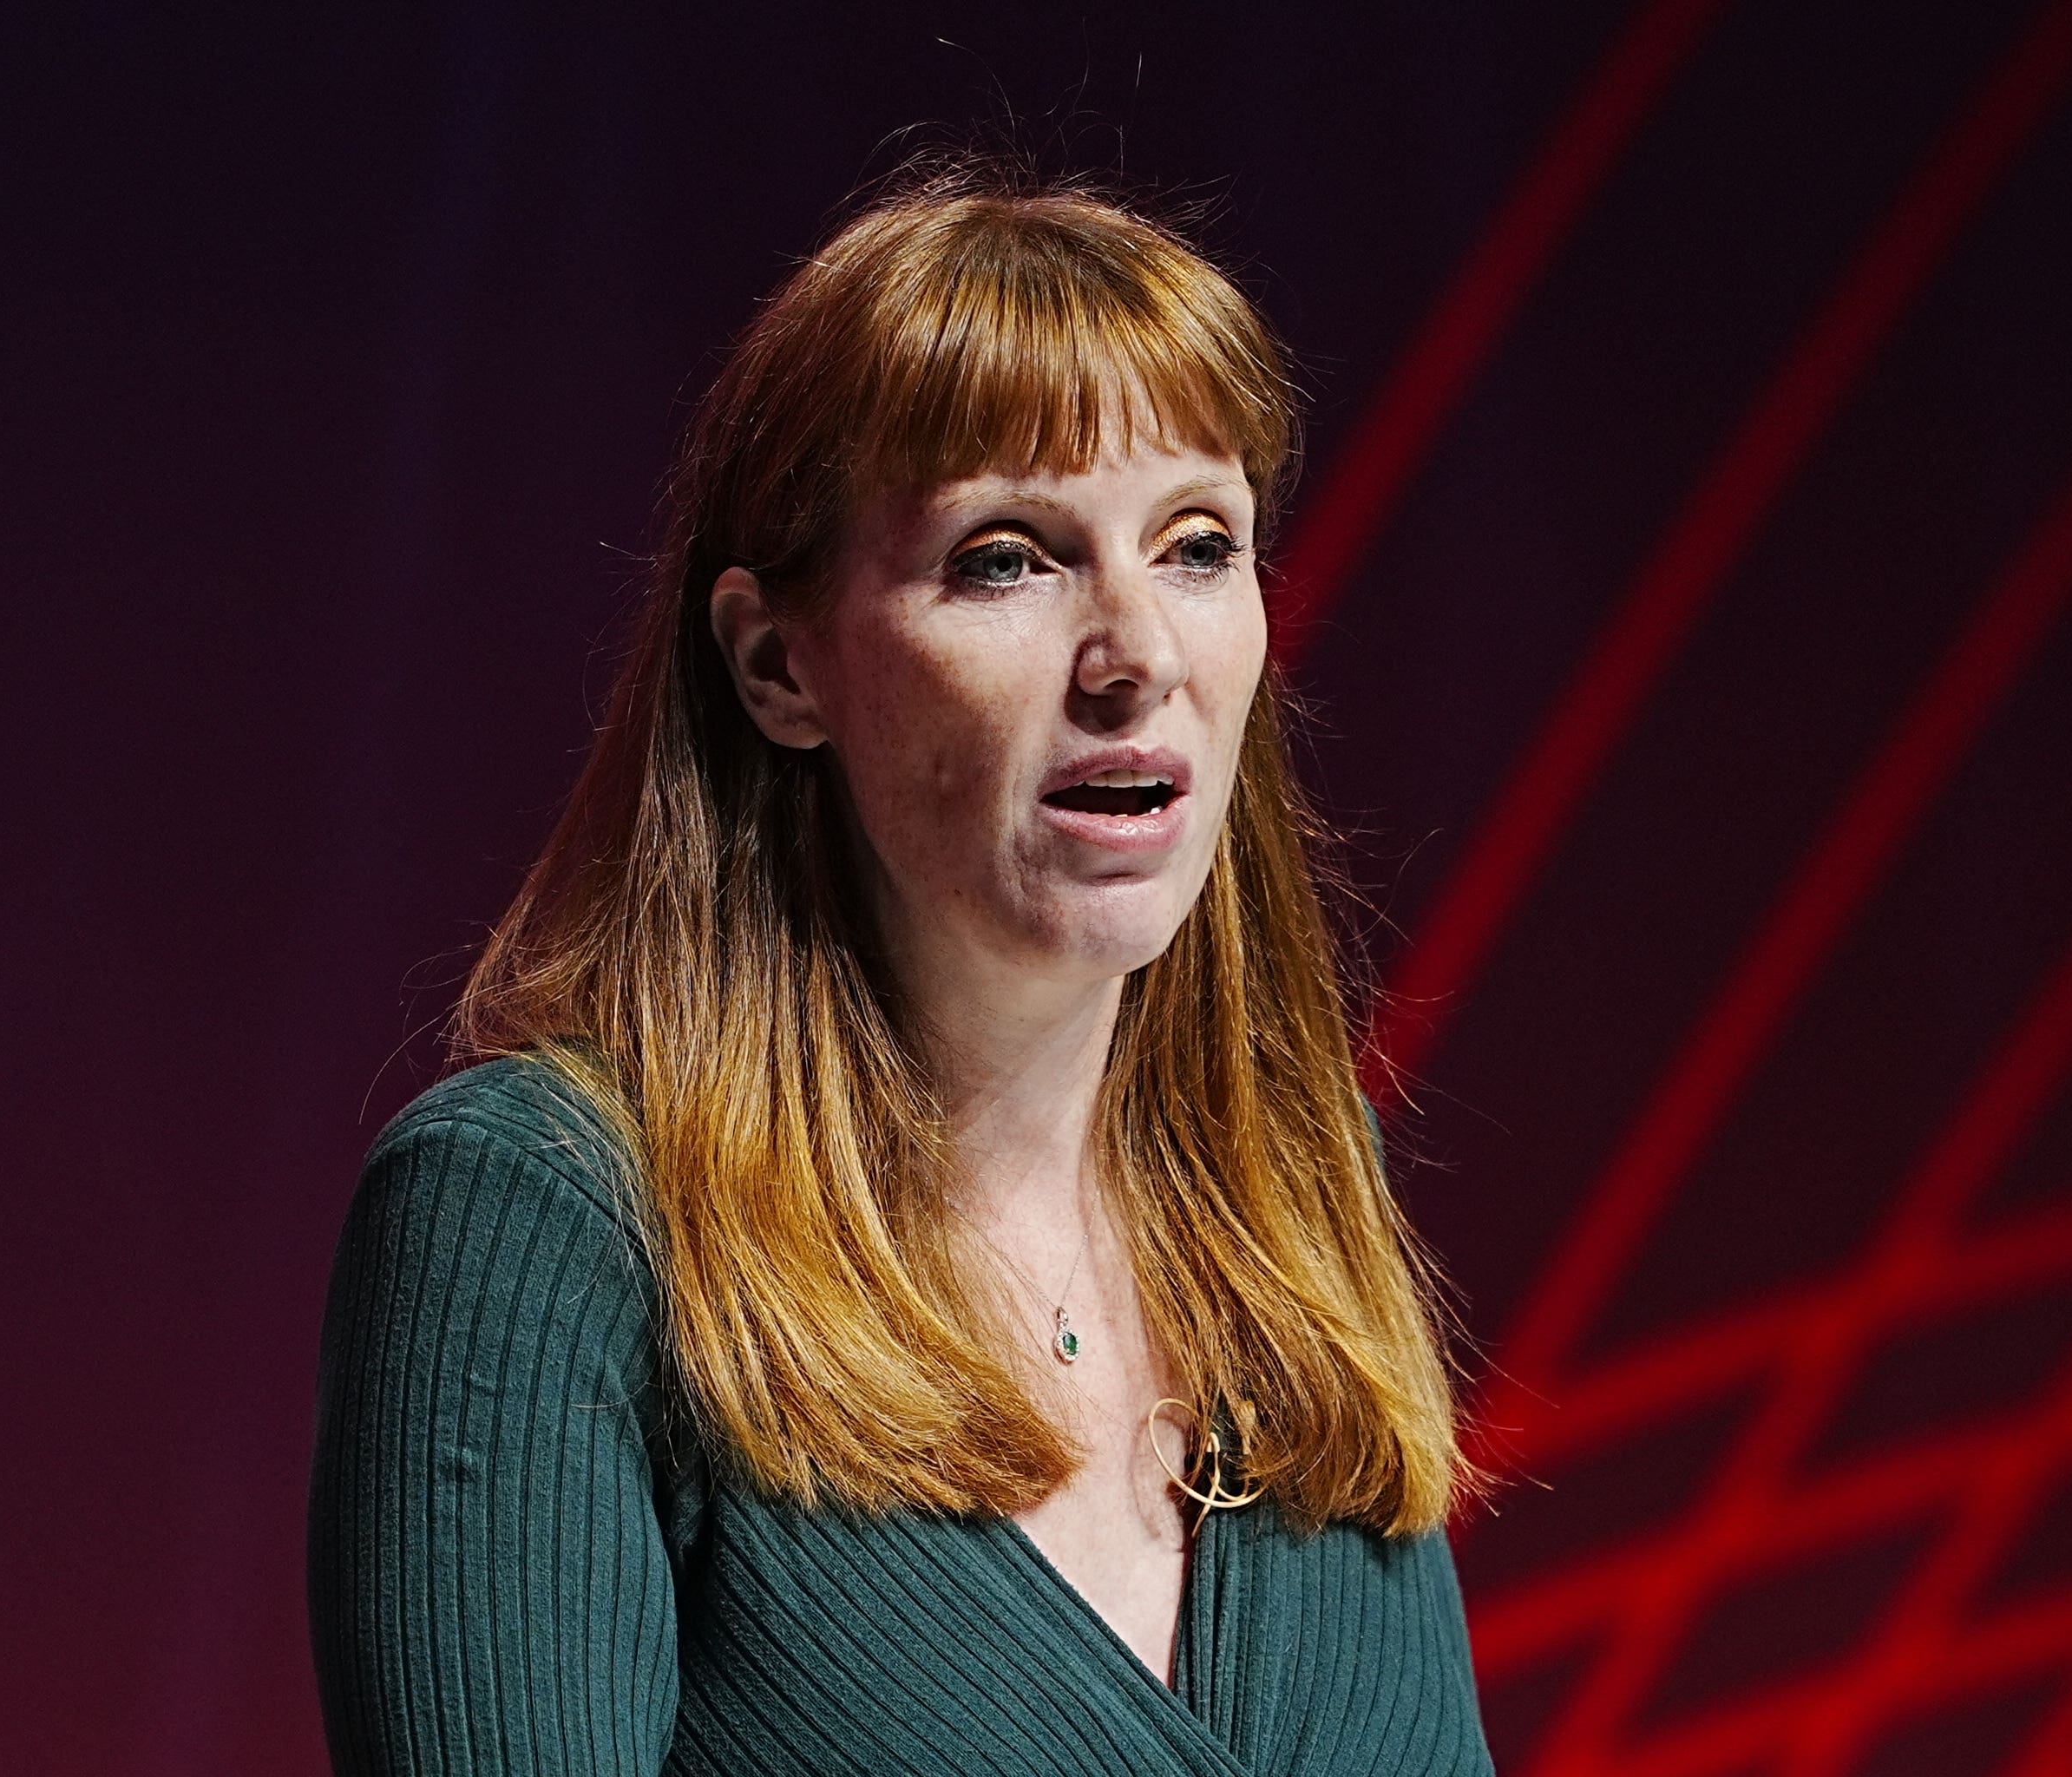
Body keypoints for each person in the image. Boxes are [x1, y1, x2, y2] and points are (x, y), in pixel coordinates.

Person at [306, 163, 1495, 1776]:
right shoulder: (546, 1221)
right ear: (776, 664)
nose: (1138, 653)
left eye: (1198, 545)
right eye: (1008, 558)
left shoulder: (1296, 1192)